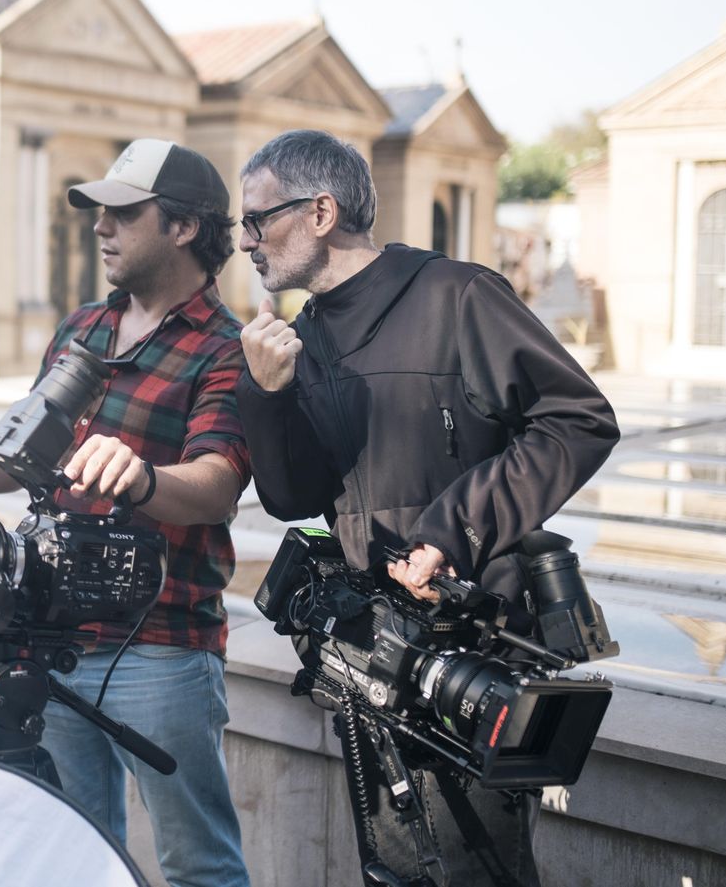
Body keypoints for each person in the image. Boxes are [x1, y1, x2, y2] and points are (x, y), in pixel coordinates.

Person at [233, 129, 620, 886]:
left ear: (320, 211)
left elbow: (578, 417)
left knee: (478, 873)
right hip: (372, 667)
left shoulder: (458, 296)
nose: (246, 241)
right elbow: (292, 497)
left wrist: (455, 527)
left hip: (474, 657)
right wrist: (265, 394)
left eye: (258, 218)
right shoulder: (301, 337)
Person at [0, 139, 253, 887]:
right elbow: (21, 453)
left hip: (160, 650)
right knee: (72, 858)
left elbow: (217, 483)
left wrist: (143, 476)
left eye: (124, 212)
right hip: (48, 641)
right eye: (99, 212)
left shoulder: (227, 349)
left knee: (200, 868)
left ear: (184, 227)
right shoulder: (82, 327)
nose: (100, 227)